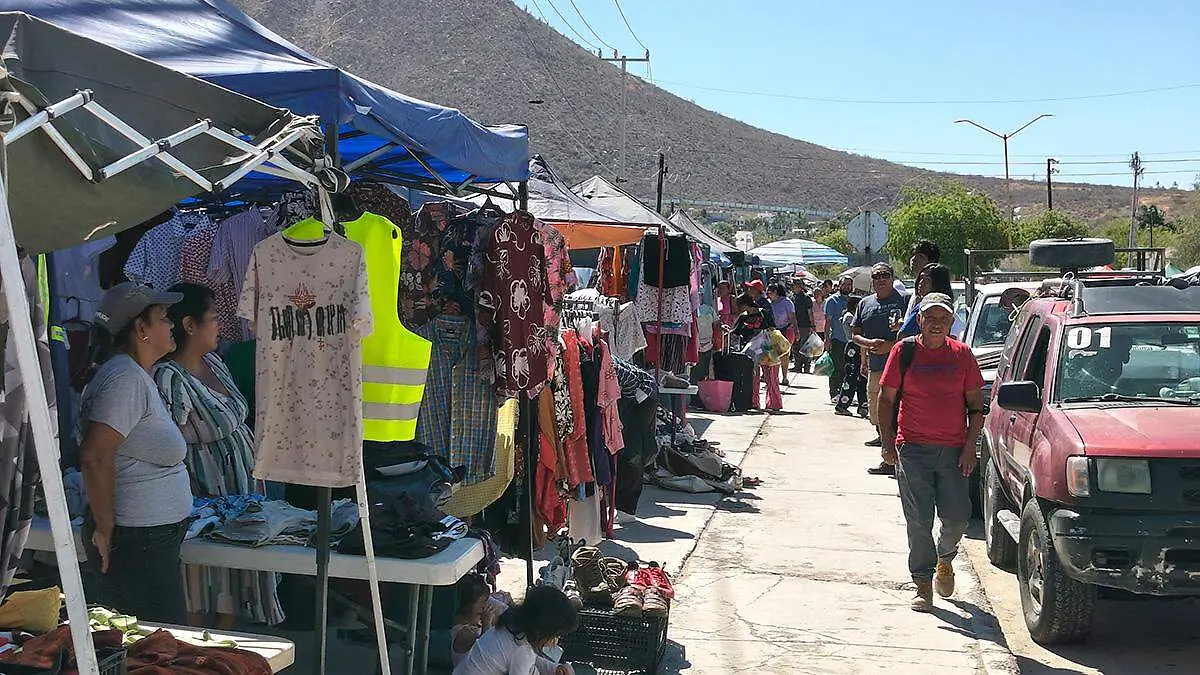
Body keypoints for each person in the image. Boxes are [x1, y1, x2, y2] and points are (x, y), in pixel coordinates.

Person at [153, 282, 282, 628]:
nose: (219, 324)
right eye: (212, 318)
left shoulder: (215, 362)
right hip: (203, 506)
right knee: (200, 594)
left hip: (241, 496)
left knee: (231, 593)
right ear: (189, 325)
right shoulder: (169, 378)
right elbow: (167, 445)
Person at [78, 282, 192, 625]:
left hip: (148, 539)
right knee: (156, 646)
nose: (172, 324)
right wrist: (105, 527)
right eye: (163, 317)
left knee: (155, 642)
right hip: (138, 541)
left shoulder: (132, 375)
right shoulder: (124, 378)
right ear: (141, 329)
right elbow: (95, 455)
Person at [877, 293, 985, 612]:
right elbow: (886, 399)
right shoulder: (904, 351)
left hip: (953, 451)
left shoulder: (962, 355)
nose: (937, 324)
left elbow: (976, 407)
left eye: (943, 319)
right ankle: (922, 582)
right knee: (919, 519)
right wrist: (887, 443)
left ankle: (945, 558)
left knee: (958, 517)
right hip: (912, 448)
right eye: (931, 318)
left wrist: (969, 447)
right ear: (920, 320)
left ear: (952, 323)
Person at [851, 262, 909, 472]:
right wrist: (868, 347)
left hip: (902, 371)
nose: (880, 279)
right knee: (878, 415)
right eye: (876, 276)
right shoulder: (864, 304)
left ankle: (898, 461)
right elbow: (855, 334)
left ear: (893, 277)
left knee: (898, 415)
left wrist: (890, 346)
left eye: (885, 275)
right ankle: (888, 457)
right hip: (876, 369)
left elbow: (913, 334)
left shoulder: (905, 301)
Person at [453, 586, 579, 675]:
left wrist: (555, 669)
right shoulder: (522, 649)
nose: (556, 639)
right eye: (556, 634)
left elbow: (531, 659)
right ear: (542, 631)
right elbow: (525, 659)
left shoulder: (510, 627)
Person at [729, 294, 781, 411]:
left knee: (771, 377)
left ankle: (774, 403)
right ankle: (754, 402)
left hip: (767, 349)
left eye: (739, 306)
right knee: (753, 377)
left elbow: (773, 329)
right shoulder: (743, 317)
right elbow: (735, 332)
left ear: (745, 305)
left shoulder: (764, 313)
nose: (738, 308)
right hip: (751, 351)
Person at [450, 575, 511, 668]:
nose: (485, 606)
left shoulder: (476, 622)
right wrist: (486, 625)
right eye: (482, 602)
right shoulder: (462, 632)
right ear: (467, 605)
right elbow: (486, 650)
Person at [898, 264, 965, 340]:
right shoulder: (951, 309)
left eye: (927, 279)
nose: (921, 282)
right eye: (921, 278)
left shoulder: (921, 308)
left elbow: (902, 335)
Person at [835, 294, 869, 416]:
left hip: (861, 347)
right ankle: (842, 405)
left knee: (862, 377)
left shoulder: (855, 316)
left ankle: (863, 405)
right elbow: (856, 332)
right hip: (853, 347)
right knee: (851, 376)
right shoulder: (850, 316)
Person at [824, 275, 854, 403]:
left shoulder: (853, 301)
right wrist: (827, 339)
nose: (847, 287)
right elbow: (828, 321)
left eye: (849, 284)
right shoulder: (832, 300)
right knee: (836, 368)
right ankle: (834, 393)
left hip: (851, 341)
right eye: (844, 284)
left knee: (849, 368)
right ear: (839, 285)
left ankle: (845, 394)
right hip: (836, 339)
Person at [767, 283, 797, 385]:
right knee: (773, 355)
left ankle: (784, 377)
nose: (768, 294)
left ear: (776, 292)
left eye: (770, 292)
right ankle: (773, 377)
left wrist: (796, 331)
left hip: (786, 330)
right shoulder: (769, 303)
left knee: (784, 355)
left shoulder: (787, 302)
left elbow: (792, 317)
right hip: (772, 331)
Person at [905, 240, 941, 314]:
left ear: (932, 261)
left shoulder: (934, 292)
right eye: (912, 255)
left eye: (920, 256)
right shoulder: (916, 290)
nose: (914, 259)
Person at [790, 280, 815, 374]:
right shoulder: (793, 297)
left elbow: (810, 313)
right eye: (794, 286)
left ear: (801, 287)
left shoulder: (806, 298)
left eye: (796, 285)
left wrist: (812, 325)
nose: (794, 287)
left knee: (805, 347)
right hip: (795, 325)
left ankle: (806, 367)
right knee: (795, 346)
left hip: (804, 325)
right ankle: (797, 366)